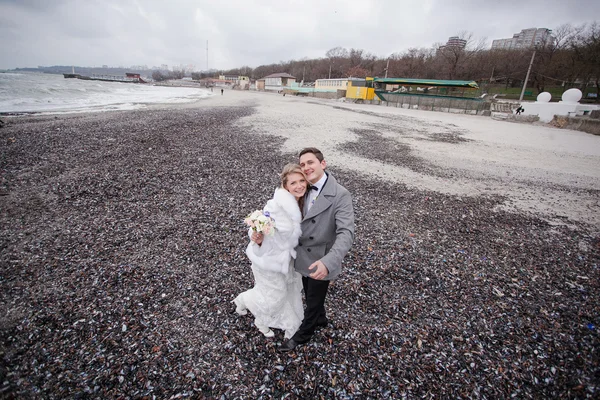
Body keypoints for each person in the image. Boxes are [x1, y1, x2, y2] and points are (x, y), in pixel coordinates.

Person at [279, 147, 355, 352]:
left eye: (310, 162)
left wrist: (329, 262)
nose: (306, 167)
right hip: (302, 255)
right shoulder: (302, 188)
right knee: (309, 292)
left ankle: (304, 333)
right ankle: (320, 318)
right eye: (302, 164)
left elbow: (346, 233)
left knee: (312, 299)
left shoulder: (340, 194)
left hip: (321, 258)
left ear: (323, 164)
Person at [233, 164, 308, 338]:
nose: (299, 186)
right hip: (269, 260)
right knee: (274, 297)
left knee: (286, 292)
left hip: (288, 260)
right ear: (285, 185)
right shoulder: (275, 205)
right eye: (293, 183)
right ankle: (257, 315)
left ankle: (245, 301)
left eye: (302, 181)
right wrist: (257, 239)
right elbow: (259, 225)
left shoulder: (304, 202)